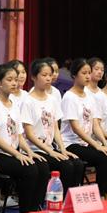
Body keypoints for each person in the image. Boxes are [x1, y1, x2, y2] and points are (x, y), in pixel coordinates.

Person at [0, 63, 49, 213]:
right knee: (29, 169)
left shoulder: (14, 104)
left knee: (41, 165)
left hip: (10, 152)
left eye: (16, 80)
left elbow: (19, 135)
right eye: (9, 80)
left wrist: (29, 152)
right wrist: (17, 154)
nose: (14, 83)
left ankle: (35, 209)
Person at [60, 58, 107, 200]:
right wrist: (96, 145)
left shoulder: (90, 97)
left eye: (89, 73)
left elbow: (95, 124)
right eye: (84, 73)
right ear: (74, 75)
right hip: (71, 143)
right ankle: (100, 196)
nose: (88, 76)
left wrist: (104, 143)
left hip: (86, 142)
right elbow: (76, 128)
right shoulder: (69, 97)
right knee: (105, 158)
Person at [21, 59, 83, 194]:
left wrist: (62, 149)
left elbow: (55, 128)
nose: (48, 78)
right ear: (33, 77)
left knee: (76, 163)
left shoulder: (52, 99)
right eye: (44, 75)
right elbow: (29, 134)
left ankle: (69, 199)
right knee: (63, 166)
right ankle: (50, 199)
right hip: (33, 149)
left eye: (50, 75)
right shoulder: (27, 101)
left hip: (49, 148)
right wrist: (51, 152)